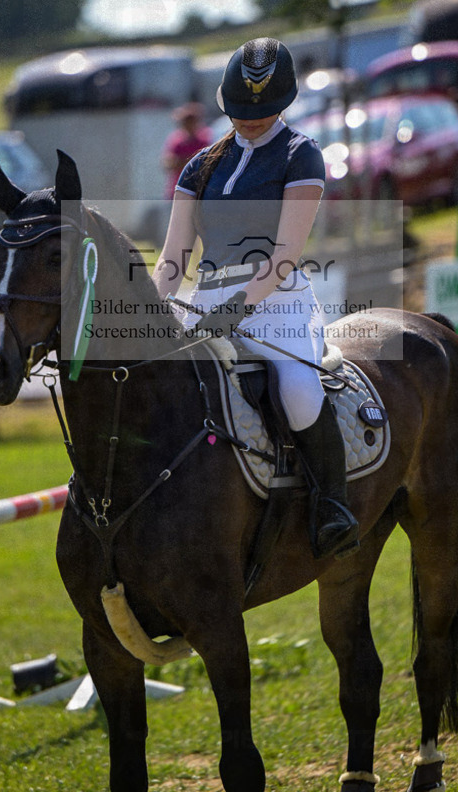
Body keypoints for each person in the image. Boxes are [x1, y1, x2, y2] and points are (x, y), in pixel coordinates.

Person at [153, 38, 359, 559]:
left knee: (298, 389)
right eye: (243, 110)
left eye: (262, 111)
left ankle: (331, 506)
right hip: (206, 300)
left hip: (278, 302)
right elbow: (174, 257)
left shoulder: (300, 154)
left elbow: (286, 253)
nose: (251, 120)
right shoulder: (199, 165)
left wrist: (237, 308)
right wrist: (149, 310)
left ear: (283, 102)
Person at [161, 102, 213, 199]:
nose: (187, 124)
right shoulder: (176, 139)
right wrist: (193, 161)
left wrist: (182, 161)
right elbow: (168, 164)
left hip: (200, 191)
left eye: (191, 120)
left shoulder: (206, 138)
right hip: (177, 191)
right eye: (184, 121)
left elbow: (208, 164)